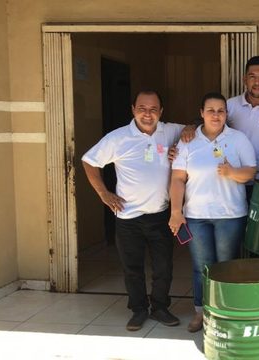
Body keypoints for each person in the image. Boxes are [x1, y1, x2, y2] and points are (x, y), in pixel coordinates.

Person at [82, 90, 182, 331]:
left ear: (161, 112)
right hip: (128, 217)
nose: (148, 114)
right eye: (142, 108)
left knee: (163, 267)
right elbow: (89, 161)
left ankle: (159, 307)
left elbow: (199, 127)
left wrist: (184, 137)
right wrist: (104, 194)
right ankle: (138, 310)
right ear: (133, 109)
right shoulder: (117, 138)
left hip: (160, 214)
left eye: (153, 109)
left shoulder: (169, 131)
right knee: (132, 268)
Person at [168, 92, 256, 332]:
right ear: (201, 113)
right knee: (201, 267)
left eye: (220, 110)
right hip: (196, 216)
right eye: (211, 110)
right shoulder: (187, 141)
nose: (216, 115)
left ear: (226, 114)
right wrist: (176, 211)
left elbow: (250, 172)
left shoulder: (238, 139)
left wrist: (232, 173)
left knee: (226, 266)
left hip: (230, 215)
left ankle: (225, 314)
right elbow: (177, 179)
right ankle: (201, 313)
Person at [178, 56, 259, 199]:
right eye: (252, 77)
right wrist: (190, 127)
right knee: (236, 218)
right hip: (231, 177)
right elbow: (210, 122)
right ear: (244, 80)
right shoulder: (230, 105)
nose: (257, 82)